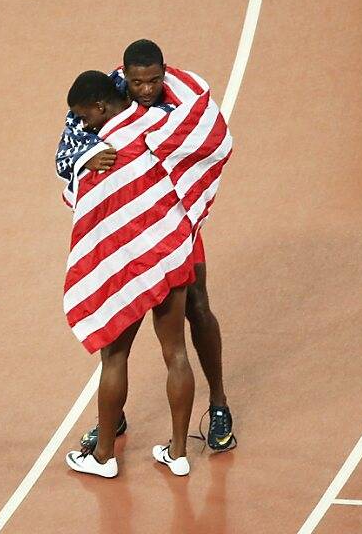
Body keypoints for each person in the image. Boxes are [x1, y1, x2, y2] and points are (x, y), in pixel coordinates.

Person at [56, 40, 235, 456]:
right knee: (121, 325)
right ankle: (112, 417)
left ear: (164, 72)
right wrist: (88, 155)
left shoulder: (180, 101)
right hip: (132, 230)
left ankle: (220, 404)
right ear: (125, 77)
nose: (147, 89)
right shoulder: (106, 92)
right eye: (138, 82)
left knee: (198, 307)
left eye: (154, 80)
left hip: (176, 221)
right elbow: (67, 149)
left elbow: (210, 137)